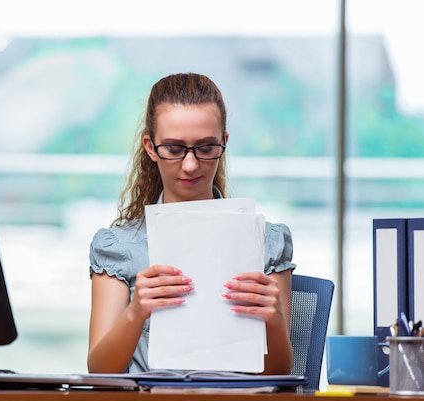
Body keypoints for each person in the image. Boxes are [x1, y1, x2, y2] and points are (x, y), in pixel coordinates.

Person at [87, 72, 296, 375]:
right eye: (173, 149)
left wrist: (273, 321)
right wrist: (136, 312)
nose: (190, 165)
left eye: (206, 148)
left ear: (223, 143)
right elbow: (99, 373)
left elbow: (279, 376)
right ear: (150, 147)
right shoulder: (119, 246)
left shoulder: (266, 241)